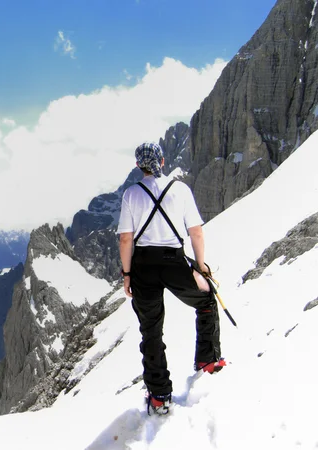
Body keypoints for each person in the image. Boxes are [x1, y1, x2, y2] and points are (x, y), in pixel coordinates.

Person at [117, 142, 224, 415]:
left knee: (151, 330)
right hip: (174, 262)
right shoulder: (180, 189)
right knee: (206, 298)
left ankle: (159, 395)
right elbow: (196, 232)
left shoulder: (131, 194)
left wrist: (127, 274)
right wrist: (201, 267)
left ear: (139, 166)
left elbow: (126, 239)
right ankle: (208, 361)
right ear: (162, 161)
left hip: (143, 267)